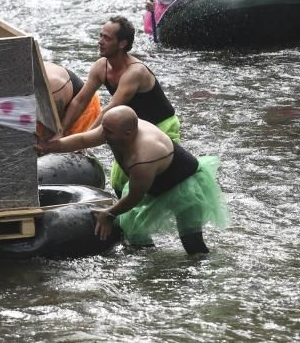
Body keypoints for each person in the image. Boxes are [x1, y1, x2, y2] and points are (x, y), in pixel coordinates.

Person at [38, 106, 228, 255]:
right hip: (151, 182)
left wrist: (109, 214)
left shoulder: (143, 158)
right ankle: (151, 260)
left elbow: (135, 197)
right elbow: (83, 140)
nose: (103, 134)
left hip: (183, 185)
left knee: (192, 243)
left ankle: (205, 271)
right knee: (133, 230)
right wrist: (53, 146)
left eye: (109, 132)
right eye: (104, 128)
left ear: (128, 134)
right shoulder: (113, 129)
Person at [58, 16, 182, 193]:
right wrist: (60, 131)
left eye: (107, 38)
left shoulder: (135, 72)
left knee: (147, 181)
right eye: (100, 36)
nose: (100, 42)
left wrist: (84, 141)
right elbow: (80, 100)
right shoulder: (101, 66)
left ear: (122, 43)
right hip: (132, 126)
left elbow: (110, 109)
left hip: (160, 126)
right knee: (118, 182)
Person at [43, 61, 101, 136]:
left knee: (55, 141)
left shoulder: (54, 88)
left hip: (82, 105)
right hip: (49, 99)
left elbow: (53, 130)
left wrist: (59, 134)